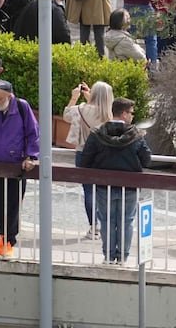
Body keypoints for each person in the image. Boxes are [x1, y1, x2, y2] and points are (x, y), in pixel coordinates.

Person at [75, 95, 151, 263]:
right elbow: (147, 160)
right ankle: (123, 257)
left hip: (104, 187)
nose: (132, 116)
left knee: (107, 221)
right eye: (131, 113)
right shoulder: (136, 135)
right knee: (126, 222)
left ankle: (108, 256)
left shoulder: (97, 134)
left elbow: (85, 161)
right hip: (129, 187)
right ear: (124, 114)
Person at [0, 80, 38, 257]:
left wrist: (31, 156)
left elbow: (33, 132)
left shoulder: (21, 107)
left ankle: (8, 240)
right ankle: (4, 235)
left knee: (12, 204)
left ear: (9, 96)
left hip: (15, 165)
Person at [64, 79, 114, 236]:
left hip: (82, 153)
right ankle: (107, 225)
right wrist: (91, 97)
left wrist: (74, 97)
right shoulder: (108, 114)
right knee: (102, 190)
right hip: (103, 155)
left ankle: (94, 226)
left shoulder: (80, 109)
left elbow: (66, 116)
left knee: (88, 191)